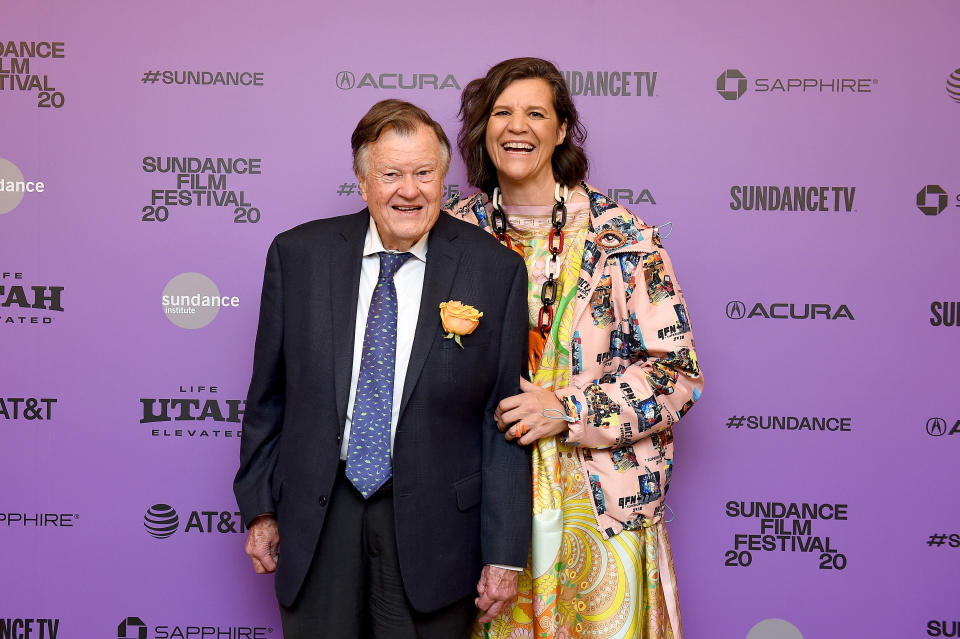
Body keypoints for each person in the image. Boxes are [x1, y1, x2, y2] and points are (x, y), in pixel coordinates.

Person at [234, 99, 532, 639]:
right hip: (318, 520)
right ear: (363, 180)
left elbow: (503, 422)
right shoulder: (298, 256)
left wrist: (505, 553)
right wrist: (259, 510)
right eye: (391, 174)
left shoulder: (495, 271)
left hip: (438, 530)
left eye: (424, 173)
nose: (410, 190)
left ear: (444, 178)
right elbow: (267, 399)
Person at [446, 58, 704, 639]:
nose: (518, 126)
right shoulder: (453, 233)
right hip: (484, 508)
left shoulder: (624, 238)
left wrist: (567, 410)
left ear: (561, 129)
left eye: (536, 112)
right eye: (501, 112)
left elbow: (677, 376)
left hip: (602, 505)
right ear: (482, 129)